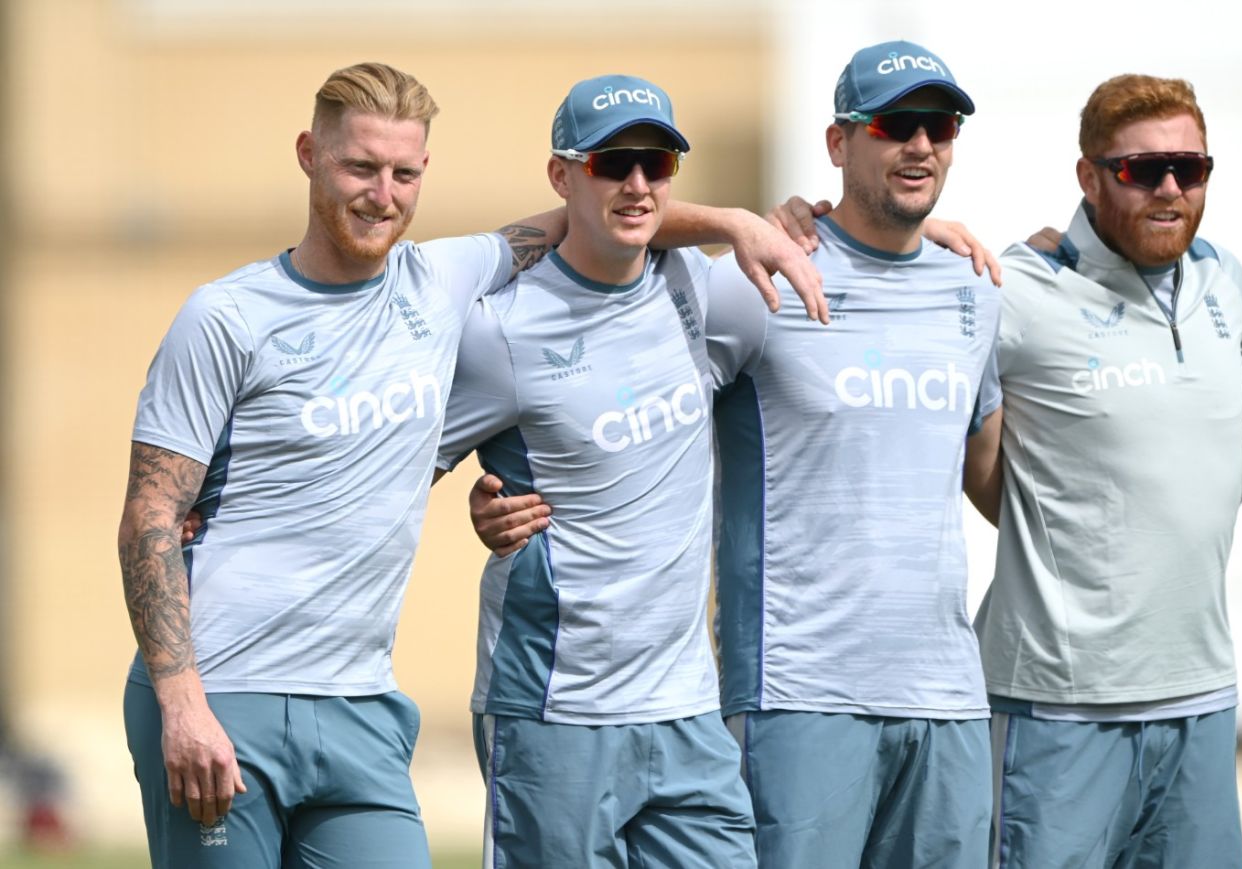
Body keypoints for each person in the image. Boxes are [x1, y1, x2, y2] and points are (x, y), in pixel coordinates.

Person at [136, 63, 826, 869]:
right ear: (309, 156)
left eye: (402, 173)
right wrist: (178, 700)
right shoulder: (230, 314)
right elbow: (148, 517)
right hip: (227, 687)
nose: (381, 193)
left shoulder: (444, 279)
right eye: (360, 167)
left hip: (363, 701)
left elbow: (598, 219)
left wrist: (737, 222)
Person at [466, 44, 1004, 868]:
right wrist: (735, 220)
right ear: (838, 142)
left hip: (948, 697)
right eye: (897, 123)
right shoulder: (753, 283)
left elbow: (988, 472)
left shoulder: (975, 286)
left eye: (940, 125)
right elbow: (611, 239)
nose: (922, 144)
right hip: (794, 693)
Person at [433, 72, 796, 869]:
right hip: (555, 711)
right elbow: (398, 464)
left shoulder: (705, 296)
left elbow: (868, 252)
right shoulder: (503, 331)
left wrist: (935, 233)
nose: (637, 182)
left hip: (688, 713)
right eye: (611, 163)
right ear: (562, 175)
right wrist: (481, 509)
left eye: (657, 162)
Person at [965, 74, 1242, 869]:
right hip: (1059, 711)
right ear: (1090, 177)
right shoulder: (1020, 290)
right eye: (1142, 171)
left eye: (1191, 169)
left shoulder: (1222, 284)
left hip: (1202, 702)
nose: (1170, 189)